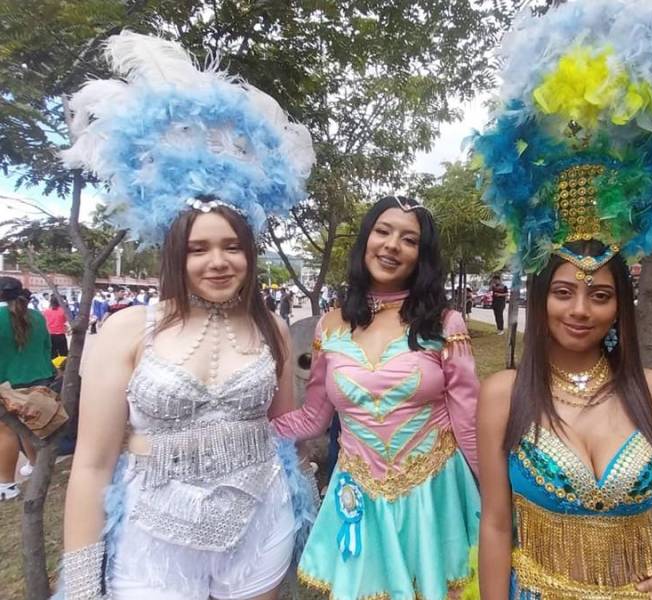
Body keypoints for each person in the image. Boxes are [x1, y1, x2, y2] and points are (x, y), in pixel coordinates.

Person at [471, 1, 652, 597]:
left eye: (599, 294)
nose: (580, 310)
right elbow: (494, 522)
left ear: (620, 305)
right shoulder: (504, 395)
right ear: (539, 303)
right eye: (563, 292)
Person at [57, 31, 316, 599]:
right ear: (176, 253)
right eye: (199, 249)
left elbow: (286, 432)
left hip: (260, 524)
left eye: (233, 246)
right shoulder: (128, 330)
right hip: (153, 540)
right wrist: (80, 584)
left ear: (250, 253)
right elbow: (93, 465)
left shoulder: (270, 326)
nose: (218, 262)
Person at [272, 195, 481, 599]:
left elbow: (468, 422)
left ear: (421, 256)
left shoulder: (443, 323)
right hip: (360, 498)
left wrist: (499, 496)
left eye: (408, 239)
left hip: (434, 498)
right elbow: (314, 417)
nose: (391, 245)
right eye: (382, 232)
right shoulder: (330, 326)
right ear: (366, 239)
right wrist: (247, 430)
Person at [0, 276, 53, 499]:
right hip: (40, 380)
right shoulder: (37, 316)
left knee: (7, 432)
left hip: (8, 383)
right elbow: (46, 348)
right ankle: (33, 465)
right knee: (30, 427)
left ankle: (6, 485)